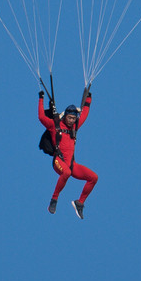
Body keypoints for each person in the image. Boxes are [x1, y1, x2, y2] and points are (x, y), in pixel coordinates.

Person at [38, 88, 97, 218]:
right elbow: (41, 117)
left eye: (73, 118)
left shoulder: (75, 127)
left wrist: (88, 99)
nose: (71, 120)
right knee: (67, 173)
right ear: (65, 116)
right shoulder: (55, 125)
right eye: (69, 118)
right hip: (58, 161)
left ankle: (79, 203)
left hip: (71, 164)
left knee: (93, 177)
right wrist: (40, 99)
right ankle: (54, 200)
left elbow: (85, 114)